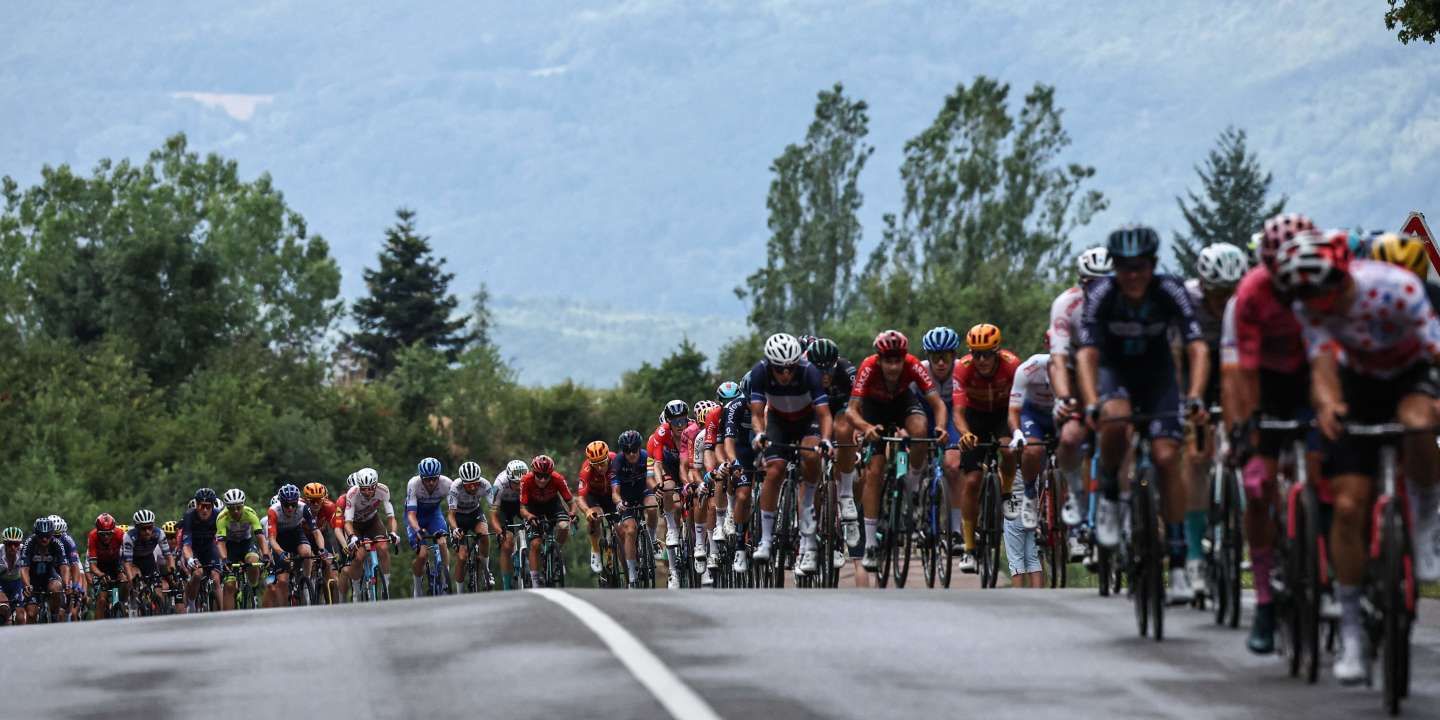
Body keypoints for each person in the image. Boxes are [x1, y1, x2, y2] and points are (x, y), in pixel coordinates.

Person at [1273, 228, 1440, 683]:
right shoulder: (1310, 305)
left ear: (1344, 274)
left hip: (1410, 373)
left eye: (1327, 289)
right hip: (1357, 384)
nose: (1321, 302)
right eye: (1309, 294)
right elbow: (1323, 365)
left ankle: (1426, 523)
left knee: (1421, 422)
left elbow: (1433, 353)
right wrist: (1328, 405)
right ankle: (1351, 628)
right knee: (1347, 506)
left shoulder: (1397, 288)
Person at [1077, 224, 1209, 604]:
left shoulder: (1170, 290)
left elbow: (1196, 345)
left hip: (1159, 376)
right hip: (1116, 373)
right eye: (1124, 267)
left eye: (1140, 267)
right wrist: (1091, 402)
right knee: (1114, 422)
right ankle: (1109, 496)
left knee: (1168, 457)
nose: (1133, 276)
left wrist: (1196, 395)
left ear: (1153, 265)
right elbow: (1086, 354)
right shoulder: (1102, 293)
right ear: (1115, 267)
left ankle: (1180, 563)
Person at [1220, 212, 1320, 653]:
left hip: (1316, 377)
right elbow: (1238, 372)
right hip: (1266, 383)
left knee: (1338, 478)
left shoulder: (1326, 280)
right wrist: (1242, 431)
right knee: (1258, 487)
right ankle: (1263, 599)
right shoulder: (1249, 294)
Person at [1177, 243, 1248, 599]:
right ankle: (1193, 554)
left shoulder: (1245, 300)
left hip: (1234, 371)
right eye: (1217, 294)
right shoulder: (1187, 302)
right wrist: (1187, 401)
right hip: (1195, 375)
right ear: (1203, 286)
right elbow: (1179, 355)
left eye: (1229, 293)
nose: (1223, 302)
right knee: (1196, 456)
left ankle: (1242, 525)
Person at [846, 330, 947, 572]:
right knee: (875, 472)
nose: (893, 366)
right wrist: (866, 427)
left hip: (902, 403)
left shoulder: (913, 365)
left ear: (904, 359)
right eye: (888, 361)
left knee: (921, 430)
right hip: (874, 409)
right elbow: (851, 411)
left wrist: (942, 427)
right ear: (879, 359)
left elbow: (938, 403)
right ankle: (870, 543)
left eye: (897, 361)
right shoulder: (868, 367)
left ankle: (911, 487)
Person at [750, 332, 836, 577]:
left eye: (790, 368)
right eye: (780, 369)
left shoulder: (809, 372)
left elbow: (824, 414)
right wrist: (759, 434)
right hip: (778, 420)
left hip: (806, 420)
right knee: (774, 470)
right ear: (770, 364)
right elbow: (757, 413)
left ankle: (809, 541)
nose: (786, 374)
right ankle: (766, 540)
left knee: (811, 457)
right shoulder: (760, 372)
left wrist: (826, 440)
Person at [1049, 246, 1113, 559]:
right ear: (1081, 283)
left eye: (1106, 283)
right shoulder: (1066, 304)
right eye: (1092, 284)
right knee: (1071, 436)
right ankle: (1075, 494)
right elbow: (1058, 361)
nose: (1099, 290)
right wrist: (1064, 399)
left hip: (1110, 369)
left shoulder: (1124, 303)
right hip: (1074, 369)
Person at [953, 324, 1022, 573]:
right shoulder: (963, 367)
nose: (981, 360)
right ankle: (970, 548)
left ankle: (1006, 493)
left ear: (997, 351)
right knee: (971, 481)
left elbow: (1020, 400)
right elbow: (958, 411)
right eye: (976, 353)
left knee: (1008, 449)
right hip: (975, 417)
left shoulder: (1012, 365)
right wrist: (965, 433)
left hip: (1004, 413)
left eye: (986, 354)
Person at [805, 339, 862, 553]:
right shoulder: (803, 375)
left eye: (829, 369)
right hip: (814, 414)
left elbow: (858, 406)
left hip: (840, 411)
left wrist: (857, 434)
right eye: (819, 371)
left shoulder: (847, 370)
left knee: (846, 428)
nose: (825, 375)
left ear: (836, 363)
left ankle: (846, 496)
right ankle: (812, 527)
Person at [920, 326, 967, 554]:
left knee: (953, 465)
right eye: (935, 357)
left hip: (952, 414)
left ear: (954, 356)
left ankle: (956, 530)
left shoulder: (962, 371)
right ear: (928, 358)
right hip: (925, 412)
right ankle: (911, 503)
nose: (940, 363)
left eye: (945, 357)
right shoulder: (920, 371)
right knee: (911, 455)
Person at [519, 455, 577, 588]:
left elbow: (571, 502)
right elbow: (522, 509)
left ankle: (556, 553)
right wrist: (529, 516)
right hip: (533, 507)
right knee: (535, 544)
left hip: (552, 504)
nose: (543, 479)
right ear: (533, 472)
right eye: (539, 475)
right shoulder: (526, 480)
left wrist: (573, 513)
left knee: (563, 526)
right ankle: (535, 581)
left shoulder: (558, 479)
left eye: (546, 476)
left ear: (551, 474)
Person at [611, 430, 659, 587]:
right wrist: (619, 503)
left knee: (652, 507)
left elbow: (651, 479)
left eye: (634, 450)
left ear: (639, 448)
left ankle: (652, 539)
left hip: (643, 491)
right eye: (627, 451)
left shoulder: (647, 457)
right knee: (630, 530)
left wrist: (659, 489)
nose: (631, 454)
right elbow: (615, 492)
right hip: (626, 498)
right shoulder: (617, 462)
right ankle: (632, 575)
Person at [344, 469, 399, 598]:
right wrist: (352, 537)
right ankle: (356, 591)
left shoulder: (383, 490)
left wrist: (394, 533)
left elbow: (391, 517)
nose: (367, 492)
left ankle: (386, 586)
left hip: (372, 521)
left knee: (383, 548)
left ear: (376, 485)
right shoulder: (352, 493)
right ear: (359, 487)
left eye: (370, 488)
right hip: (355, 525)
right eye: (363, 489)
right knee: (359, 556)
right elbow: (347, 522)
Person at [405, 457, 453, 597]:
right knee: (423, 554)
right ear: (421, 477)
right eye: (427, 479)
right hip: (416, 517)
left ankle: (445, 578)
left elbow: (453, 512)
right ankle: (417, 585)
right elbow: (411, 515)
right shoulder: (414, 484)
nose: (431, 482)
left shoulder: (447, 484)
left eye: (434, 479)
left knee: (442, 542)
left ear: (439, 476)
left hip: (434, 515)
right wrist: (418, 530)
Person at [216, 489, 270, 611]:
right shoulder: (222, 518)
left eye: (238, 507)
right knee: (229, 586)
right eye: (231, 508)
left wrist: (266, 555)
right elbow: (221, 543)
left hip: (246, 544)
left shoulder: (250, 513)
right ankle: (229, 620)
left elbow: (260, 537)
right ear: (226, 508)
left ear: (243, 505)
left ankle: (252, 588)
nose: (235, 511)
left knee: (253, 560)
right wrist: (224, 560)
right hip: (230, 547)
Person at [267, 484, 320, 606]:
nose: (290, 508)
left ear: (298, 502)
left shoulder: (303, 507)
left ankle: (307, 582)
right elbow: (272, 539)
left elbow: (316, 532)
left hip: (296, 533)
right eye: (286, 505)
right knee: (282, 581)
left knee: (306, 552)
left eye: (293, 504)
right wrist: (281, 553)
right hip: (280, 539)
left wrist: (322, 549)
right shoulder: (273, 511)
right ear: (281, 503)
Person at [447, 460, 493, 591]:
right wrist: (455, 529)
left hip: (475, 513)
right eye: (469, 485)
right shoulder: (455, 487)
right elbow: (450, 515)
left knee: (484, 535)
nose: (473, 487)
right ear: (462, 483)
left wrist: (498, 526)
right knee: (462, 557)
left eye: (475, 484)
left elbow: (494, 509)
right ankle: (460, 592)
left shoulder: (485, 485)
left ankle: (486, 571)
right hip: (459, 517)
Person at [179, 488, 223, 614]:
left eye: (208, 507)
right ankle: (192, 604)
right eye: (201, 506)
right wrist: (189, 559)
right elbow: (186, 544)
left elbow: (222, 540)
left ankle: (224, 613)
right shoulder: (189, 516)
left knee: (215, 578)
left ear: (212, 506)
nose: (204, 510)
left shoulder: (217, 515)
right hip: (194, 549)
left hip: (209, 548)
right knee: (198, 573)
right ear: (196, 504)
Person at [577, 442, 617, 576]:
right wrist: (587, 511)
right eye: (595, 464)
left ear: (608, 458)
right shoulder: (586, 470)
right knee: (595, 517)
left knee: (620, 526)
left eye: (603, 463)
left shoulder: (616, 461)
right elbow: (580, 498)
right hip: (594, 497)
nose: (600, 467)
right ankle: (595, 550)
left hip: (612, 495)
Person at [121, 510, 174, 607]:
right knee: (136, 578)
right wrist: (131, 579)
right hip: (133, 562)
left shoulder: (159, 533)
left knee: (158, 592)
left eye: (150, 528)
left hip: (148, 560)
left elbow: (168, 556)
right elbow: (127, 563)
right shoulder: (129, 536)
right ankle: (135, 606)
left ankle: (159, 612)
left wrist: (172, 570)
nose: (147, 532)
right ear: (137, 528)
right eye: (143, 529)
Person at [488, 459, 528, 590]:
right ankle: (506, 586)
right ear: (509, 479)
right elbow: (493, 514)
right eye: (516, 483)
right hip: (504, 508)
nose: (519, 486)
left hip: (521, 504)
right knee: (507, 544)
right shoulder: (499, 483)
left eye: (521, 483)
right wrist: (499, 531)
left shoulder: (527, 481)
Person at [18, 518, 66, 622]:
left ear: (52, 534)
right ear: (36, 534)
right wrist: (27, 585)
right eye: (41, 536)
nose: (44, 539)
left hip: (49, 576)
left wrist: (68, 585)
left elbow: (64, 567)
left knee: (57, 587)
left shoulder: (57, 543)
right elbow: (24, 569)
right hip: (32, 579)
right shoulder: (29, 543)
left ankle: (54, 616)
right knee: (31, 614)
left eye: (48, 536)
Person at [85, 514, 126, 619]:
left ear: (114, 531)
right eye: (102, 534)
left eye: (109, 534)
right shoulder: (93, 536)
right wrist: (101, 575)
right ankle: (98, 626)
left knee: (124, 582)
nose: (106, 537)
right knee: (102, 600)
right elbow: (92, 566)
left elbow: (128, 558)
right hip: (100, 567)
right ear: (98, 531)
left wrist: (122, 570)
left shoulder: (120, 534)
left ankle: (125, 604)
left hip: (116, 565)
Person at [1, 527, 26, 625]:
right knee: (4, 607)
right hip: (1, 583)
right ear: (4, 543)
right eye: (9, 544)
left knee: (20, 616)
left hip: (16, 583)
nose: (13, 547)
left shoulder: (24, 551)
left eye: (16, 544)